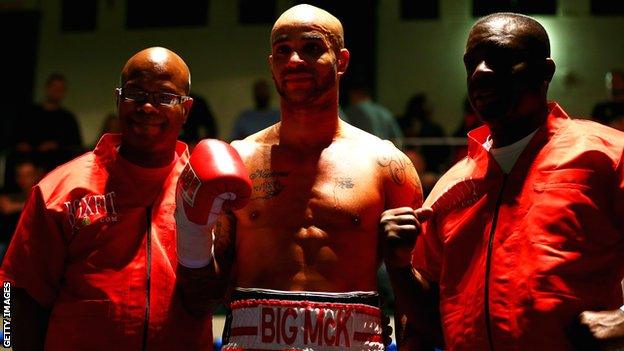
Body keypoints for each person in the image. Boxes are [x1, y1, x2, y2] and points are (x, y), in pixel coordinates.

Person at [178, 4, 423, 350]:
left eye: (311, 47)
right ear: (271, 65)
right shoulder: (240, 158)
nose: (294, 60)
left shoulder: (386, 165)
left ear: (342, 61)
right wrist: (192, 231)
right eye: (283, 50)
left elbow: (414, 296)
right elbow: (202, 296)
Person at [384, 12, 624, 350]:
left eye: (499, 58)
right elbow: (432, 324)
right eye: (472, 64)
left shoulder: (606, 156)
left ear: (545, 72)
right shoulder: (452, 186)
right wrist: (398, 266)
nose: (480, 73)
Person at [0, 47, 217, 350]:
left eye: (165, 97)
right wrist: (9, 342)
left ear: (186, 109)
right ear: (118, 99)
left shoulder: (207, 190)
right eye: (135, 94)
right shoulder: (61, 189)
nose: (147, 107)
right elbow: (15, 291)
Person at [345, 80, 404, 147]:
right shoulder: (384, 112)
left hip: (363, 152)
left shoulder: (353, 111)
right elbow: (398, 139)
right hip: (385, 152)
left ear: (355, 94)